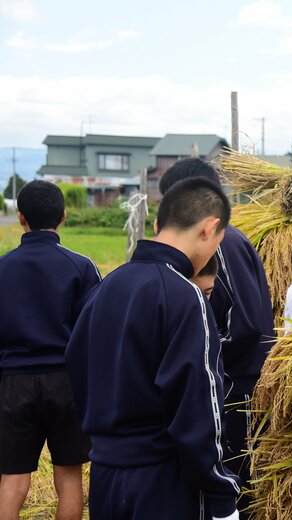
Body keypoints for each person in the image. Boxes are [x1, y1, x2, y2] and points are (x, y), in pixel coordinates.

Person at [65, 178, 241, 519]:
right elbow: (199, 405)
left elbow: (75, 366)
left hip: (105, 476)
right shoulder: (185, 296)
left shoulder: (107, 287)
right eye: (217, 242)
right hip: (161, 480)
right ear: (210, 228)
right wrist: (221, 494)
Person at [159, 158, 275, 518]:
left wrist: (193, 350)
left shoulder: (221, 246)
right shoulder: (221, 242)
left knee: (235, 479)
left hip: (234, 387)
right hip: (228, 380)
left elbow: (246, 324)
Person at [0, 181, 100, 519]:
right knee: (69, 477)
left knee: (12, 480)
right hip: (66, 381)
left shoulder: (3, 267)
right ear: (63, 216)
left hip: (13, 382)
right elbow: (93, 332)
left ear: (21, 217)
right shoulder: (81, 266)